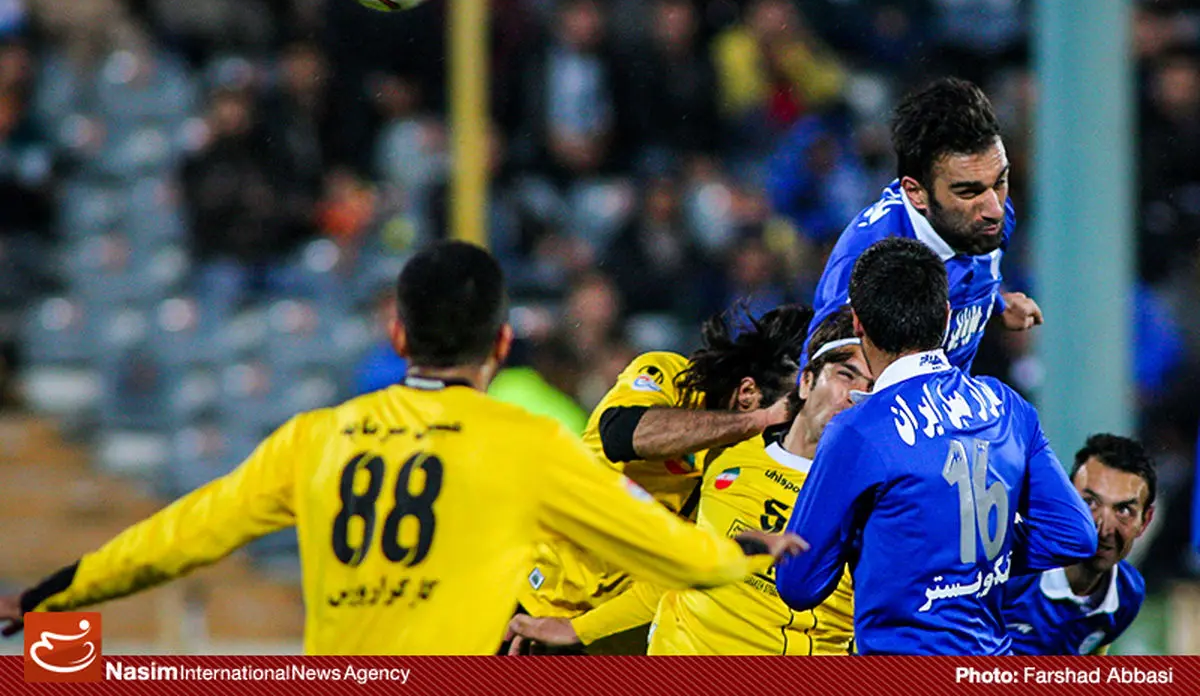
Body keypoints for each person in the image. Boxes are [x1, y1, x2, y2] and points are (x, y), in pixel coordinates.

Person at [0, 241, 803, 654]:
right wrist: (748, 552)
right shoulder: (527, 445)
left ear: (395, 334)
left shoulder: (315, 440)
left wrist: (44, 597)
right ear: (502, 342)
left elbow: (180, 536)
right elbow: (678, 556)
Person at [776, 237, 1097, 655]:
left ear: (858, 324)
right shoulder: (1008, 407)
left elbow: (798, 583)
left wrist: (916, 556)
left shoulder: (858, 430)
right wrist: (975, 559)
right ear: (946, 317)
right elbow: (1073, 533)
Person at [506, 307, 872, 655]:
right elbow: (622, 434)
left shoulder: (751, 463)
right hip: (527, 598)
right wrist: (757, 422)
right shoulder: (672, 378)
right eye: (786, 415)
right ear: (748, 395)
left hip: (606, 634)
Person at [807, 77, 1042, 371]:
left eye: (1000, 181)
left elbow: (966, 275)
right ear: (917, 192)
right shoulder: (866, 269)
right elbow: (822, 387)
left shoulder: (985, 217)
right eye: (968, 192)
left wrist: (994, 305)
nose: (995, 208)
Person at [1003, 434, 1154, 655]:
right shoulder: (1008, 567)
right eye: (1089, 503)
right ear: (1065, 500)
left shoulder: (1128, 594)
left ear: (1145, 521)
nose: (1104, 529)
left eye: (1123, 511)